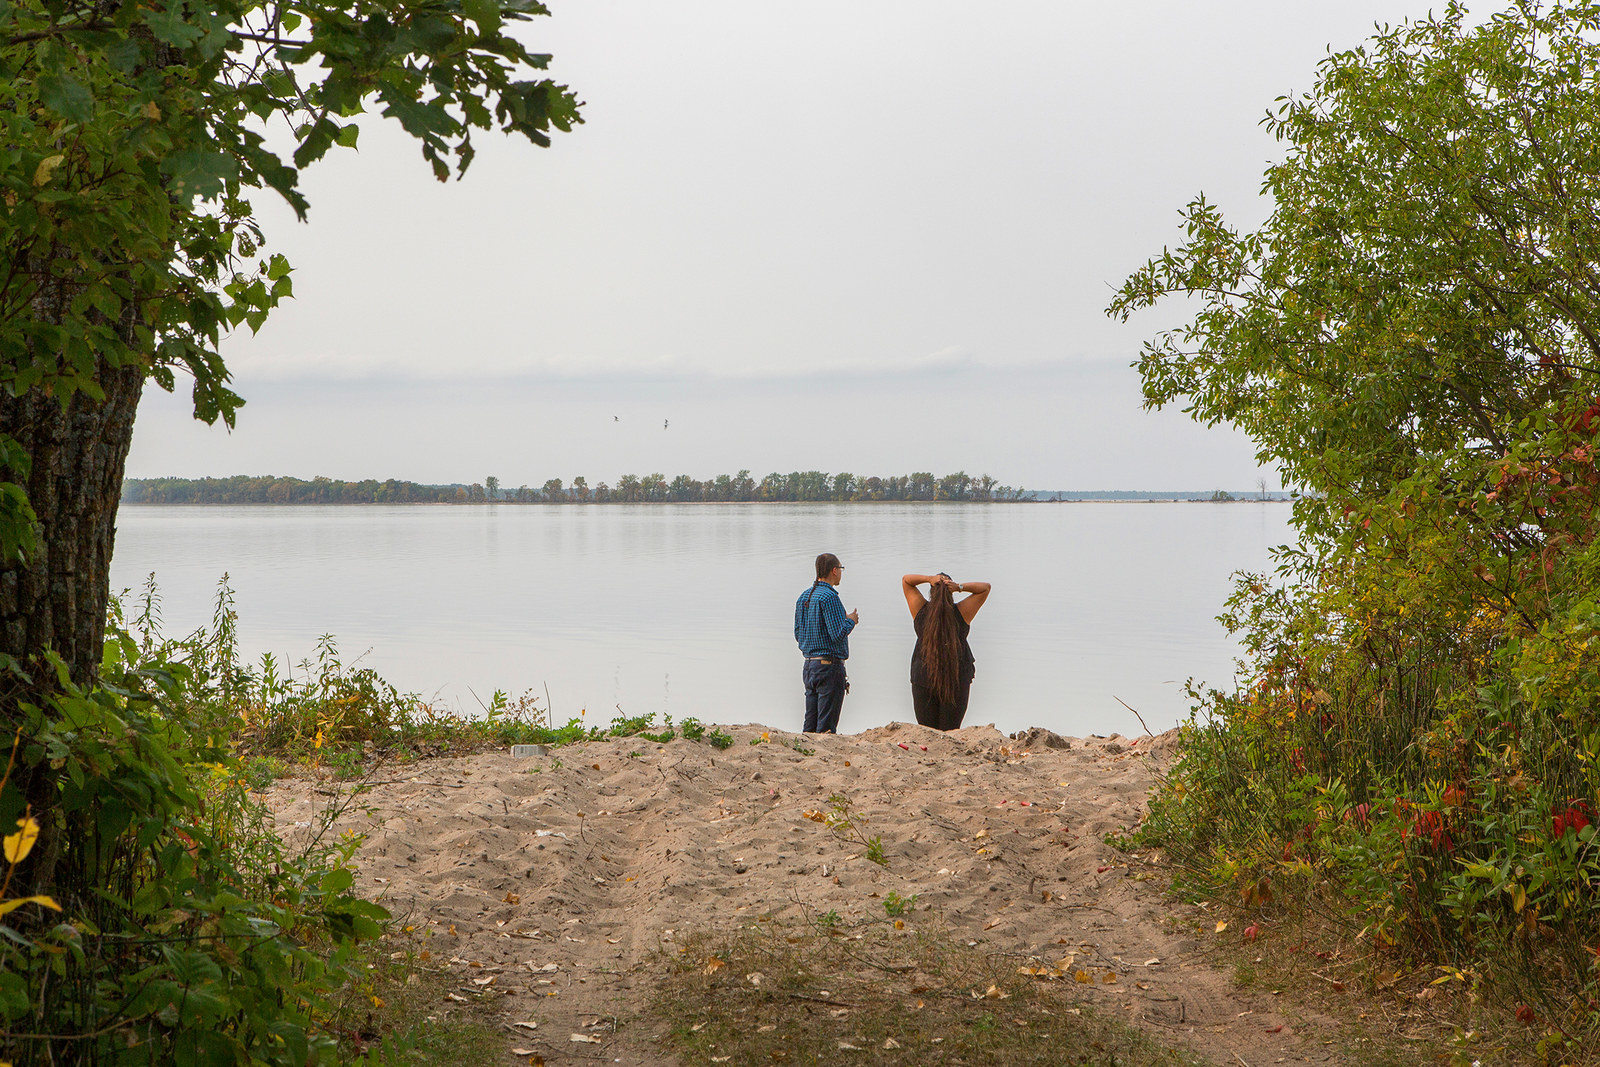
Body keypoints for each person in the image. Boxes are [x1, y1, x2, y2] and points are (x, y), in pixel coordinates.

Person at [901, 571, 991, 730]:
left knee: (927, 731)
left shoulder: (920, 611)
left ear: (931, 592)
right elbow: (985, 588)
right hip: (956, 680)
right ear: (952, 594)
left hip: (923, 678)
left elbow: (906, 581)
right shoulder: (962, 612)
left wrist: (929, 579)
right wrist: (959, 587)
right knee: (950, 731)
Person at [794, 553, 859, 733]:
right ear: (834, 570)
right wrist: (851, 620)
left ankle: (805, 754)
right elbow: (838, 634)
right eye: (841, 569)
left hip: (809, 666)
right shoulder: (830, 597)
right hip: (829, 668)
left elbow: (798, 633)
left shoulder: (804, 597)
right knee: (826, 727)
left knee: (810, 723)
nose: (841, 573)